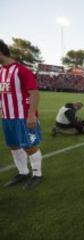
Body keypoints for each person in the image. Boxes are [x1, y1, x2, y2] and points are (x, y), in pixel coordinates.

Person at [0, 40, 43, 190]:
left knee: (29, 146)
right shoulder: (1, 71)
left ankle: (37, 174)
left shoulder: (21, 70)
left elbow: (35, 94)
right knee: (13, 146)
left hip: (22, 117)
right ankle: (23, 172)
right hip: (7, 117)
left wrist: (31, 115)